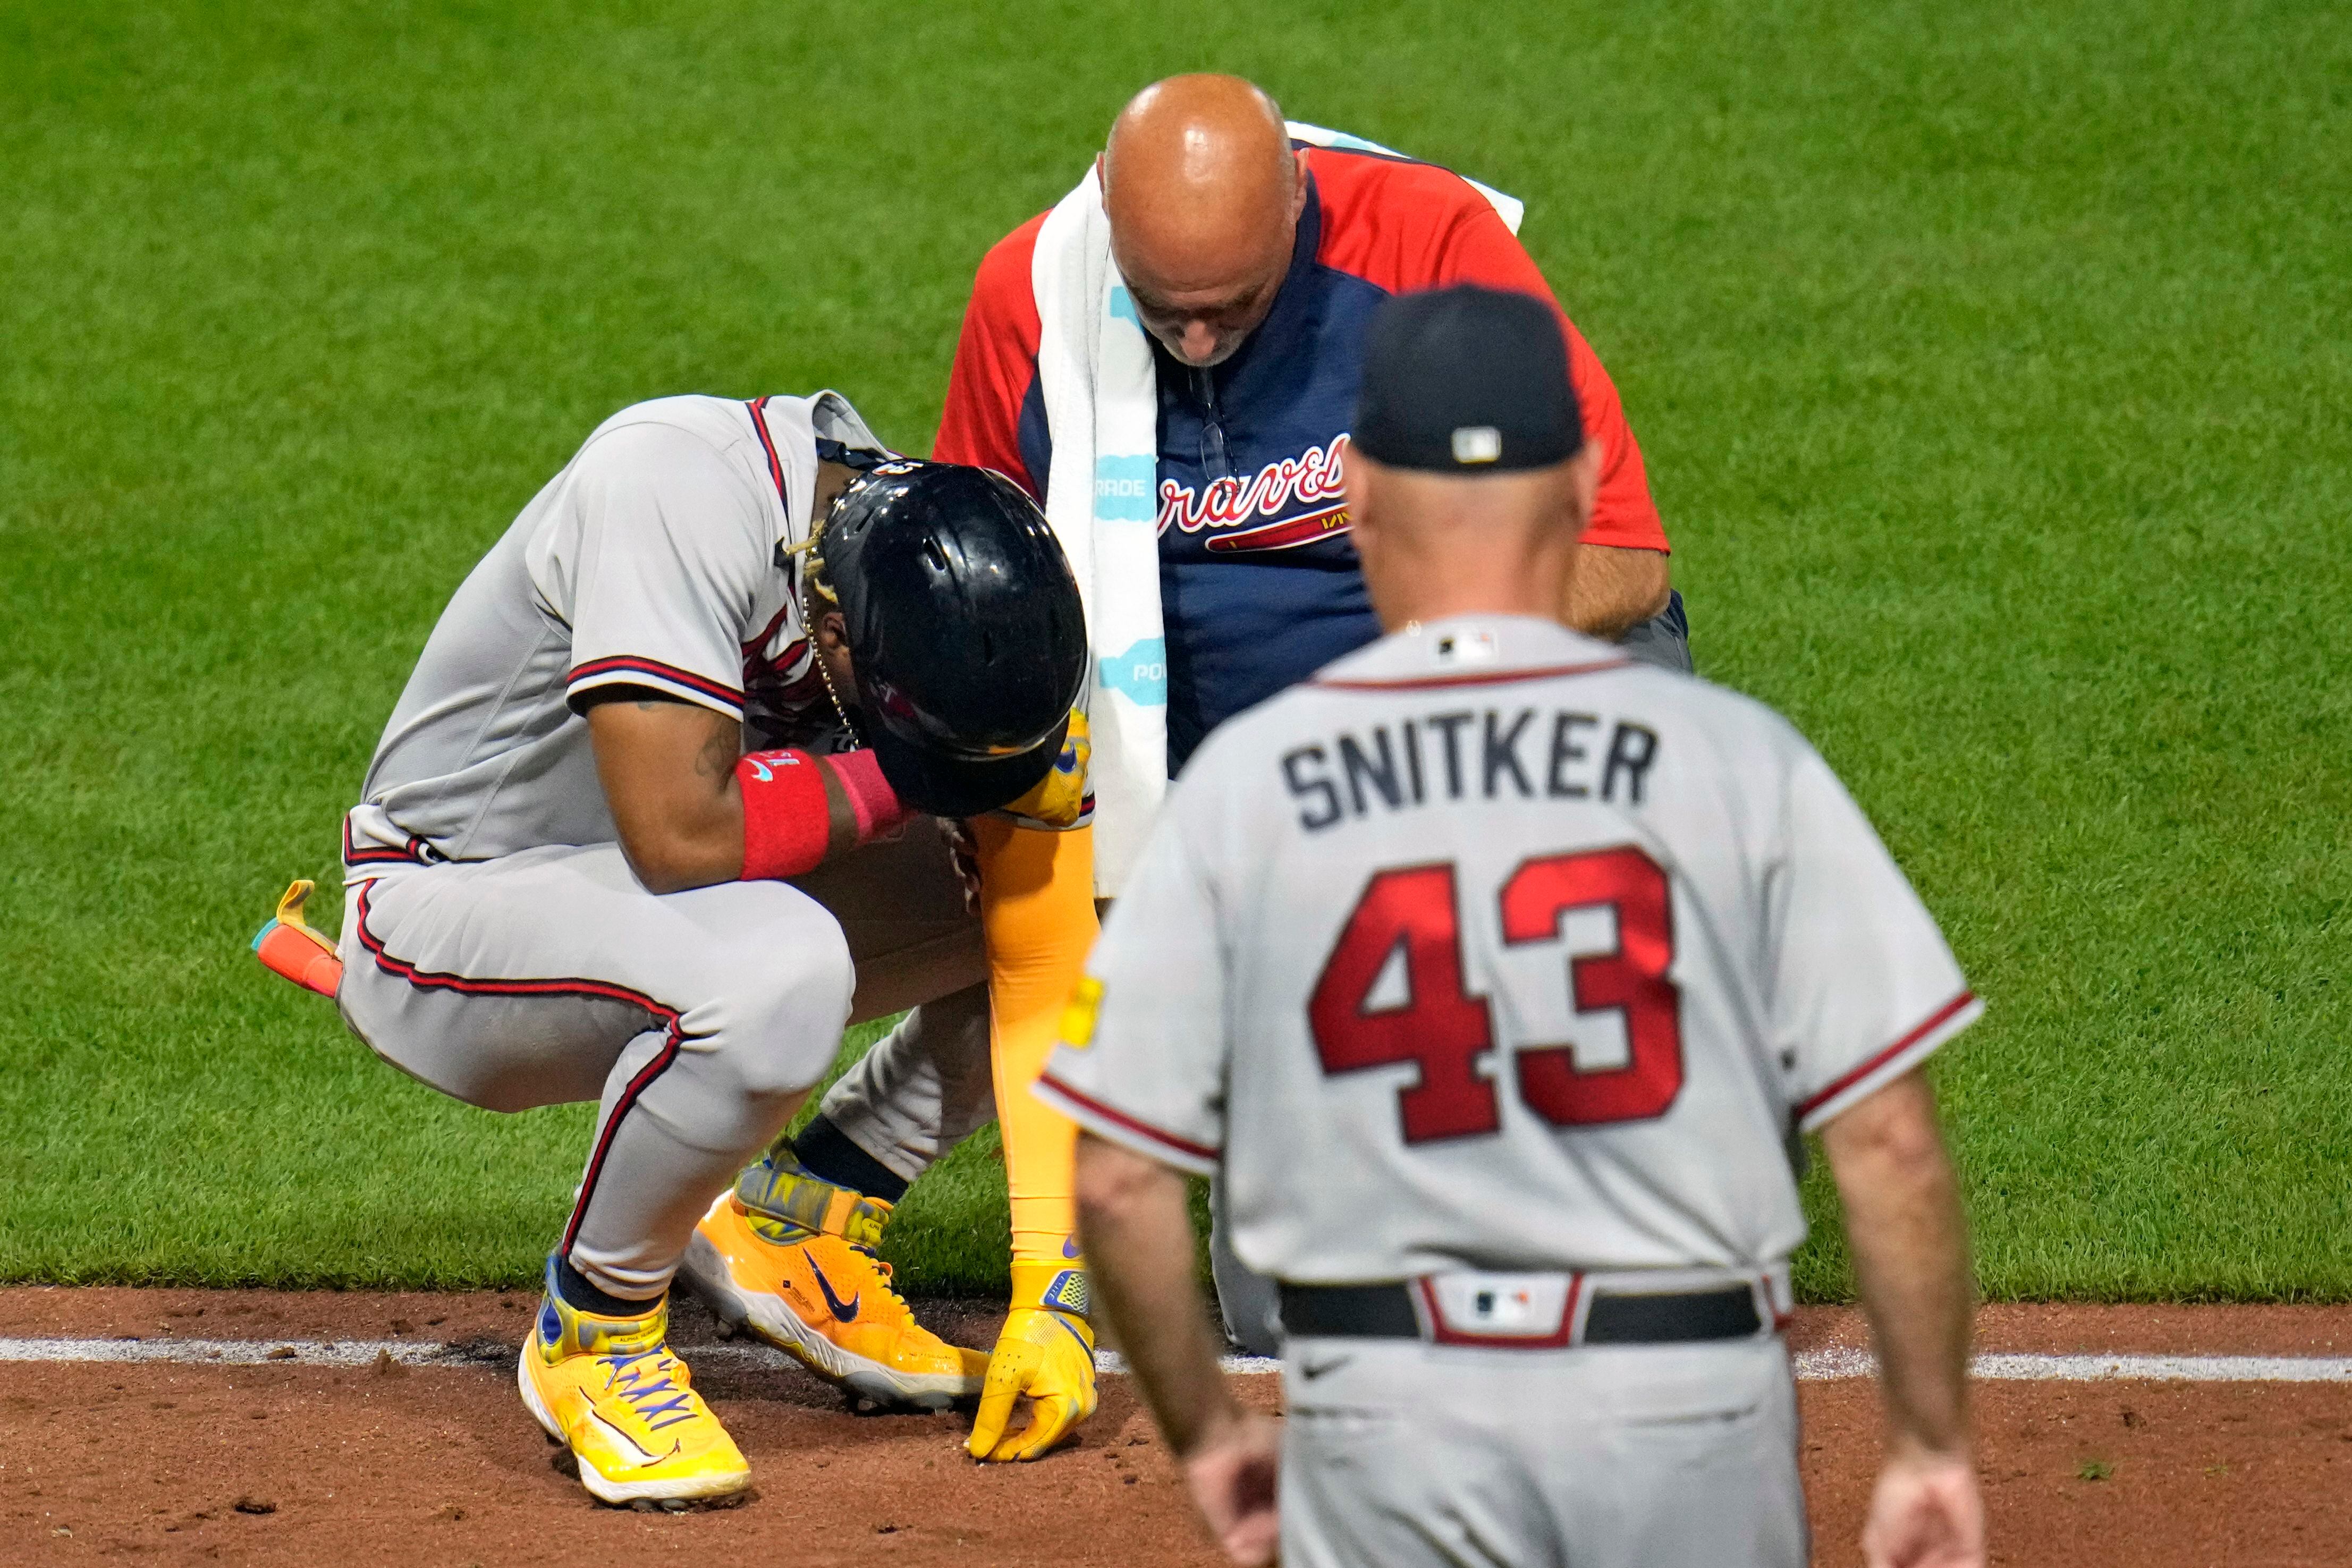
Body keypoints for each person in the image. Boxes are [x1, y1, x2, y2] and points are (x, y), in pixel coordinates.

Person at [1046, 285, 1987, 1568]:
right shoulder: (1736, 763)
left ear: (1359, 496)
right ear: (1581, 483)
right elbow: (1887, 1141)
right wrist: (1930, 1445)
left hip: (1389, 1428)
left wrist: (1210, 1437)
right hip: (1686, 1416)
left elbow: (1113, 1171)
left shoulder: (1247, 787)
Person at [320, 389, 1086, 1504]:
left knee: (1087, 887)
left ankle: (807, 1214)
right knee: (778, 964)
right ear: (835, 633)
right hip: (449, 917)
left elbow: (1046, 945)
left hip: (661, 910)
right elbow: (679, 834)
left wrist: (1047, 1282)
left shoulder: (950, 586)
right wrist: (912, 778)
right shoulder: (672, 485)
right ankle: (597, 1329)